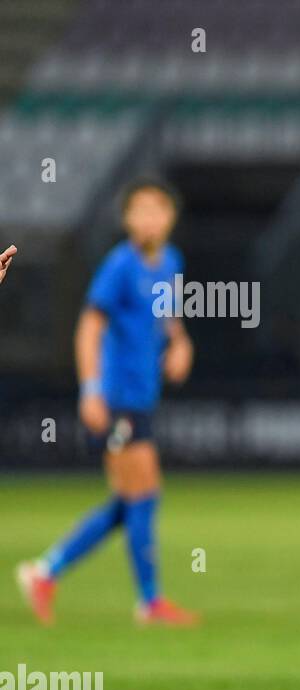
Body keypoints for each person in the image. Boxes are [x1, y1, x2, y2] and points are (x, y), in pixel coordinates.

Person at [16, 179, 198, 627]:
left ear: (170, 217)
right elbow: (89, 328)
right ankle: (150, 602)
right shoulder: (119, 266)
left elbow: (167, 319)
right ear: (127, 220)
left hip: (142, 395)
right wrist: (91, 389)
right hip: (117, 398)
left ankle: (45, 571)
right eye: (139, 210)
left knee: (127, 502)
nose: (148, 218)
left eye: (156, 209)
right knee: (144, 495)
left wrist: (179, 344)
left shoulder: (171, 263)